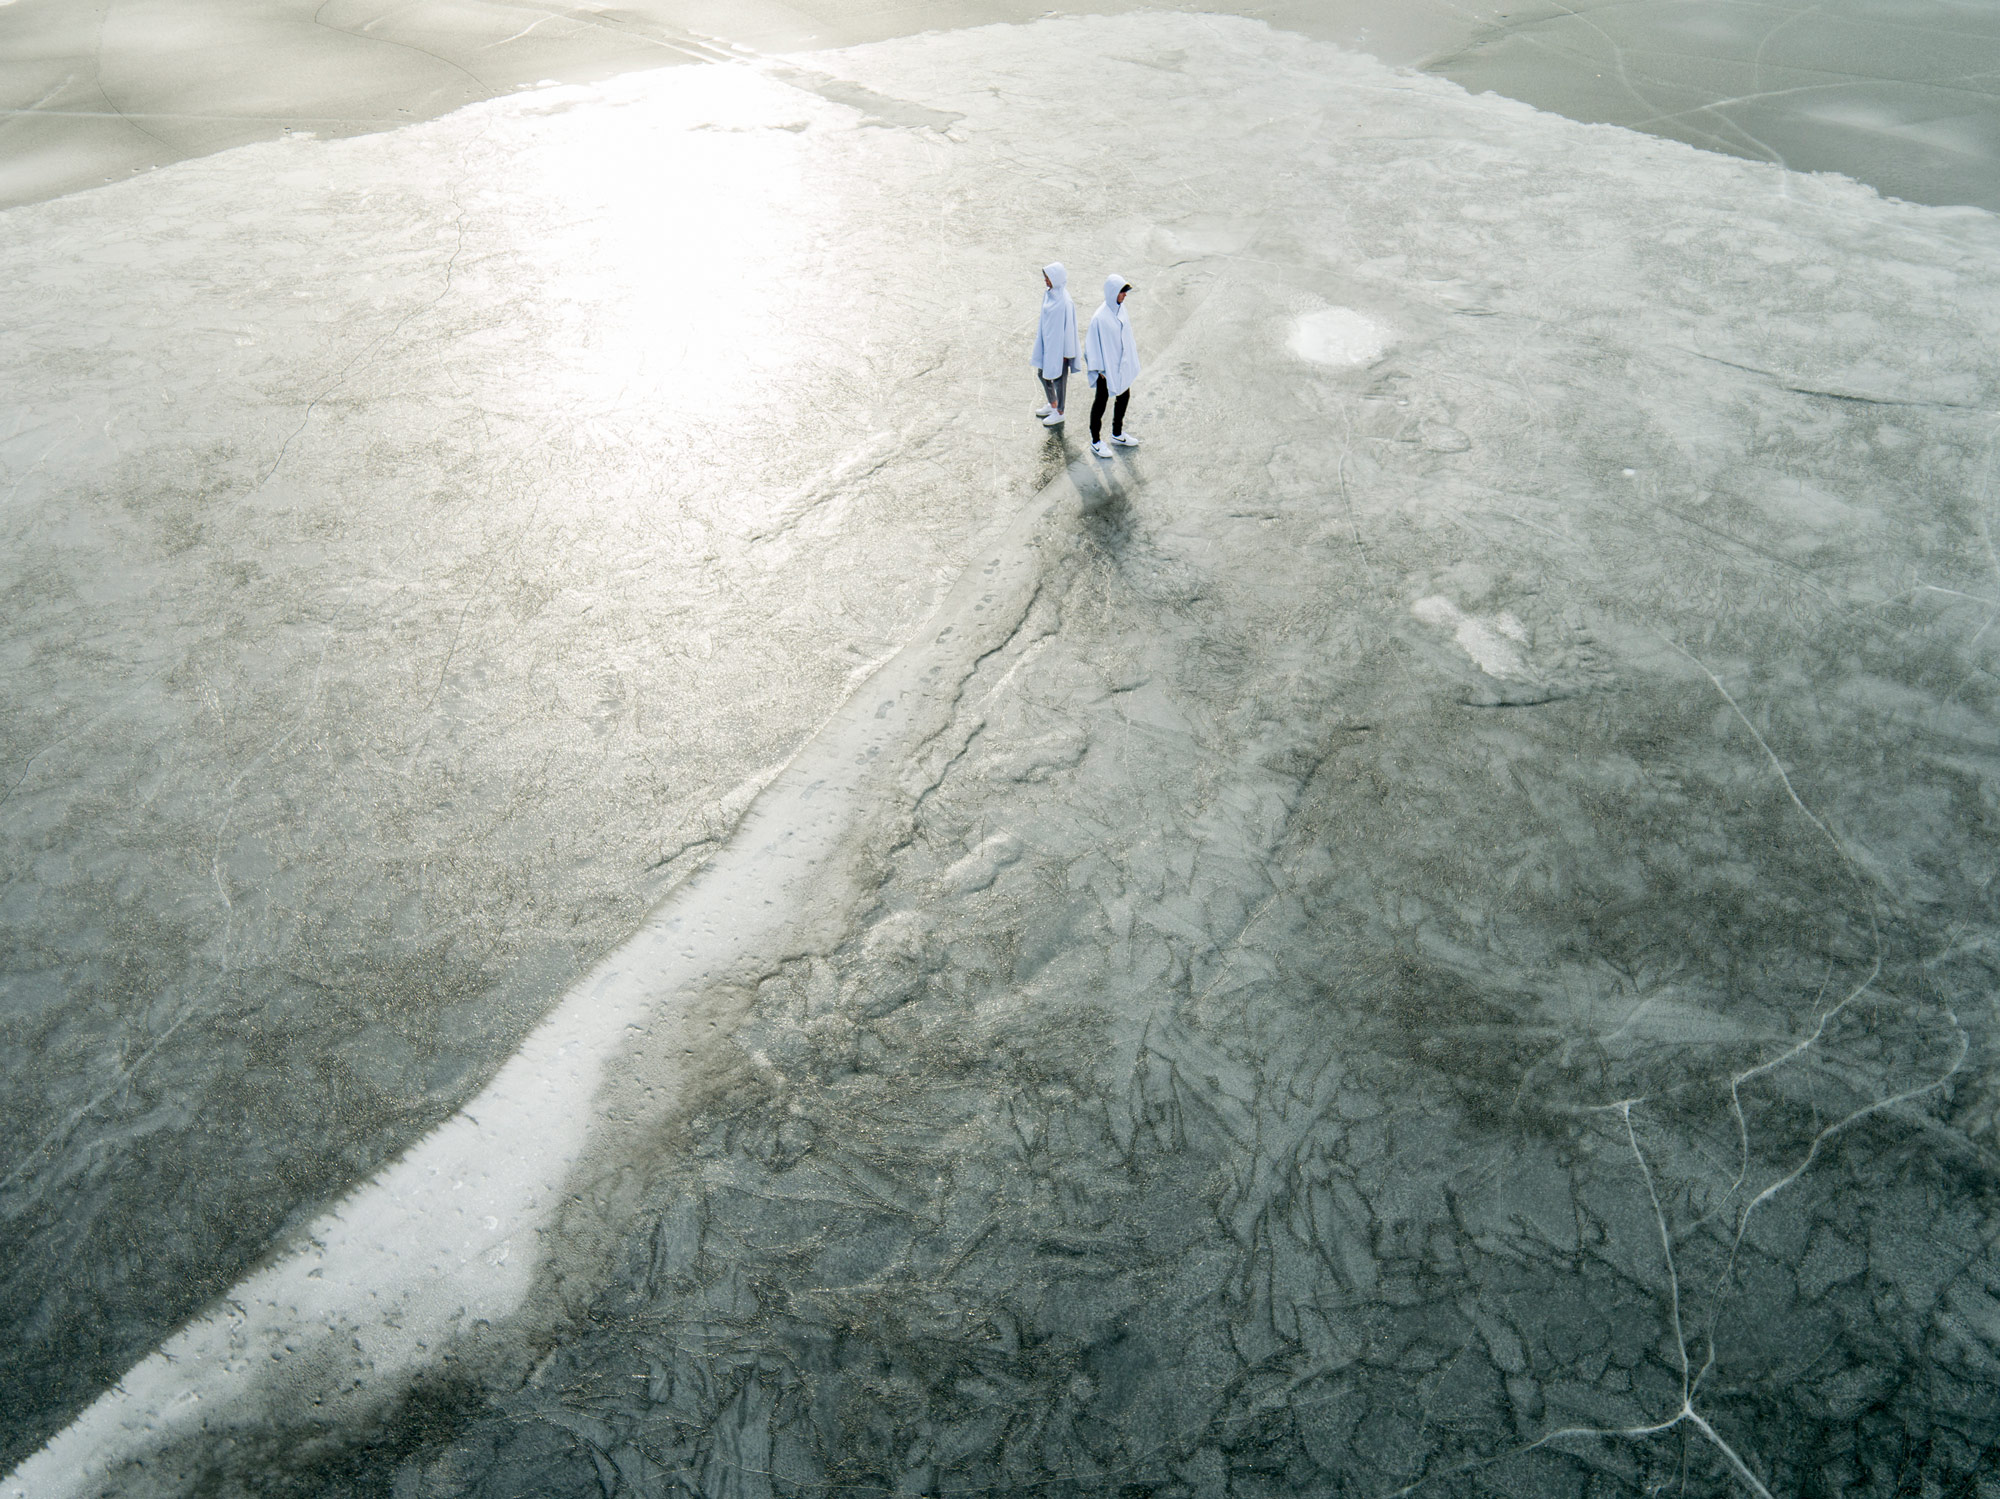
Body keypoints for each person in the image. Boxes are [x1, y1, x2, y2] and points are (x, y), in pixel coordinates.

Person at [1084, 274, 1140, 458]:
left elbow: (1127, 337)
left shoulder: (1121, 310)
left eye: (1125, 291)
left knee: (1124, 396)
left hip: (1120, 366)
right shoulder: (1099, 318)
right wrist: (1100, 370)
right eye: (1122, 291)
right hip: (1105, 371)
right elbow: (1091, 346)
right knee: (1100, 403)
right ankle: (1096, 441)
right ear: (1112, 292)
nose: (1125, 295)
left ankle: (1117, 434)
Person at [1029, 263, 1079, 427]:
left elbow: (1069, 328)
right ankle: (1053, 404)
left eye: (1048, 277)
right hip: (1047, 344)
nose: (1045, 280)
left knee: (1059, 380)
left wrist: (1067, 352)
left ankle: (1060, 412)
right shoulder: (1049, 295)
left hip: (1059, 349)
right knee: (1042, 373)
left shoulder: (1066, 302)